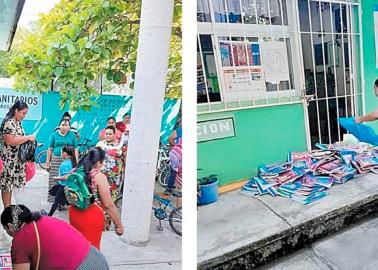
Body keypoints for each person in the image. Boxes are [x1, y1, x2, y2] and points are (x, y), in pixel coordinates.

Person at [1, 204, 110, 269]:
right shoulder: (43, 219)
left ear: (10, 227)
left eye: (5, 229)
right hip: (97, 258)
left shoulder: (20, 240)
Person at [69, 147, 124, 250]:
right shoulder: (98, 176)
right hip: (91, 215)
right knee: (91, 250)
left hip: (74, 212)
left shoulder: (76, 171)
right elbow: (108, 205)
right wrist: (119, 225)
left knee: (77, 247)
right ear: (99, 162)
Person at [0, 101, 36, 208]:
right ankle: (7, 210)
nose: (24, 116)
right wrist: (28, 137)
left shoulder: (17, 123)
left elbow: (19, 139)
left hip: (16, 161)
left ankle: (9, 209)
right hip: (8, 161)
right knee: (7, 186)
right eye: (23, 113)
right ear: (16, 111)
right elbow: (10, 141)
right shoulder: (9, 122)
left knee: (10, 186)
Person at [46, 119, 79, 202]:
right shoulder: (54, 135)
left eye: (67, 125)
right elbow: (50, 149)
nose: (64, 127)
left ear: (69, 127)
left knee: (68, 180)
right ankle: (55, 200)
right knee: (55, 180)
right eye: (63, 125)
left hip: (69, 161)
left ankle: (66, 200)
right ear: (59, 125)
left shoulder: (72, 135)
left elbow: (75, 149)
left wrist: (76, 161)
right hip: (56, 160)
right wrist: (47, 162)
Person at [96, 126, 125, 200]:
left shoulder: (121, 144)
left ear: (114, 134)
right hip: (102, 173)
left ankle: (111, 209)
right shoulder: (100, 144)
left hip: (116, 175)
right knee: (101, 193)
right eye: (106, 134)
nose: (108, 135)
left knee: (113, 194)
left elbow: (125, 156)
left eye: (110, 134)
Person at [47, 145, 77, 216]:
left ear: (64, 153)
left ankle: (49, 215)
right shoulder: (73, 163)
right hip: (71, 186)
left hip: (63, 186)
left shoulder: (64, 165)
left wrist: (56, 178)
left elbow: (66, 177)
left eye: (61, 152)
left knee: (56, 202)